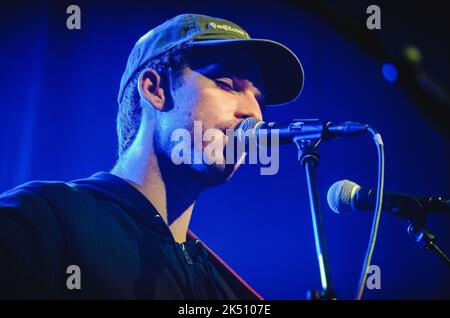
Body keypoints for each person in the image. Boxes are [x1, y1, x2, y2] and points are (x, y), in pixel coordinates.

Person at [0, 13, 304, 299]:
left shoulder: (223, 288)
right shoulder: (42, 221)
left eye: (259, 99)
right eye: (226, 84)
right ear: (155, 89)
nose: (254, 113)